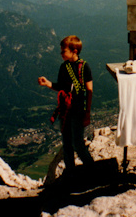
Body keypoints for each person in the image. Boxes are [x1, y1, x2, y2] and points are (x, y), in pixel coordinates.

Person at [38, 35, 94, 173]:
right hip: (66, 110)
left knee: (77, 144)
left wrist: (87, 112)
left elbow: (89, 91)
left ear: (74, 51)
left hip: (78, 110)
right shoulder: (64, 67)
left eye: (63, 51)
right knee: (67, 144)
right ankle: (71, 173)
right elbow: (61, 86)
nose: (61, 54)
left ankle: (93, 170)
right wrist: (48, 84)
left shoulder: (84, 67)